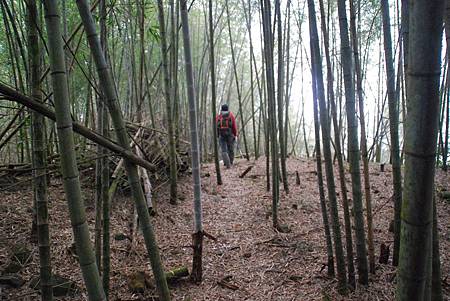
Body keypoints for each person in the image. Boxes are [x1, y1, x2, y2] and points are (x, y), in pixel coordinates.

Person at [216, 104, 237, 168]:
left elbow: (217, 127)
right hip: (230, 134)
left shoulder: (219, 116)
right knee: (230, 149)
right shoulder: (231, 115)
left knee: (224, 150)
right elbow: (234, 126)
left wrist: (218, 135)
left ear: (221, 109)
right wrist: (235, 134)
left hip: (221, 135)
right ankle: (230, 162)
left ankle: (226, 163)